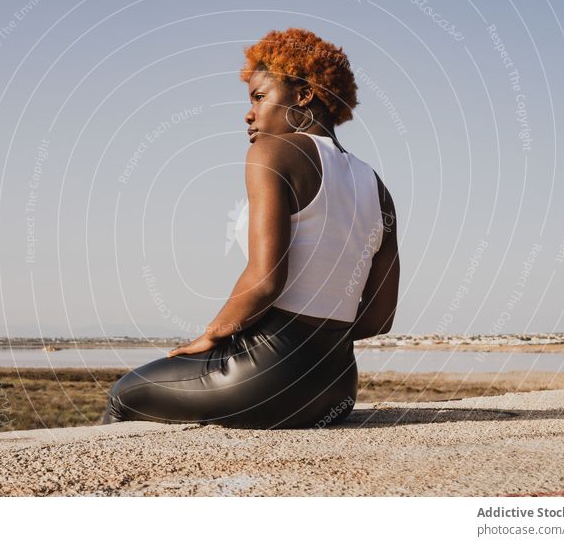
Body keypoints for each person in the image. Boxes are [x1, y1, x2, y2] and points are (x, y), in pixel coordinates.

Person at [102, 27, 400, 429]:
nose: (249, 113)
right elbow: (379, 319)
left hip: (264, 379)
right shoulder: (376, 186)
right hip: (338, 387)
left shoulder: (273, 152)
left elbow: (264, 282)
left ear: (303, 95)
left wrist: (211, 335)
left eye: (260, 97)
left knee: (124, 395)